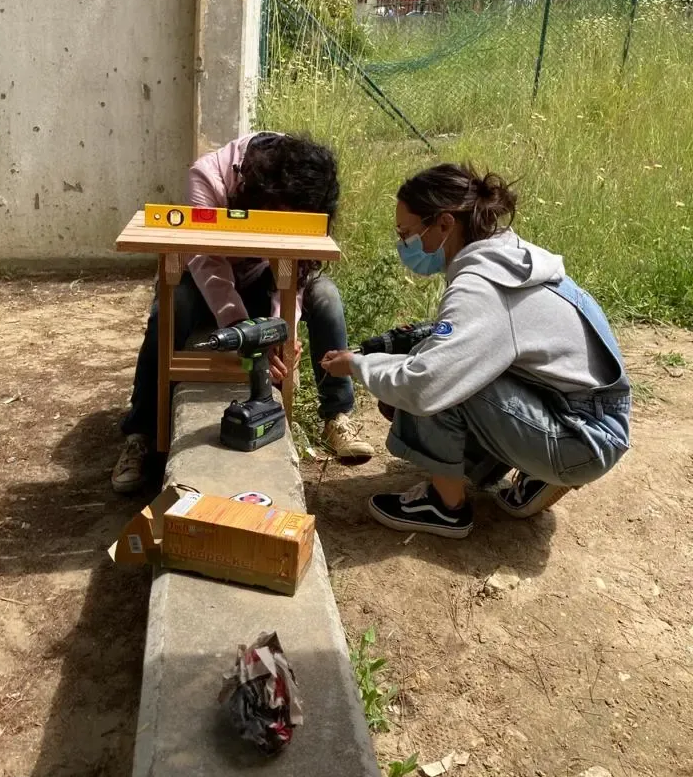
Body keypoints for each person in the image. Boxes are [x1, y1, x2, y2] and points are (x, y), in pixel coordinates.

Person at [321, 162, 631, 539]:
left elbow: (427, 384)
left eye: (406, 233)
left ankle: (445, 507)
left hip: (582, 439)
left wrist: (358, 365)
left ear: (444, 224)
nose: (403, 244)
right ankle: (536, 473)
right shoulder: (510, 257)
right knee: (444, 359)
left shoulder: (480, 286)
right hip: (591, 418)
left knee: (438, 380)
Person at [112, 132, 374, 493]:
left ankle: (337, 415)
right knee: (171, 307)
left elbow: (297, 265)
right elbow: (207, 261)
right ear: (261, 193)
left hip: (261, 278)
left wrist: (280, 330)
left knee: (326, 295)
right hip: (202, 278)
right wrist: (241, 328)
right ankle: (141, 432)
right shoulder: (208, 178)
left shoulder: (304, 181)